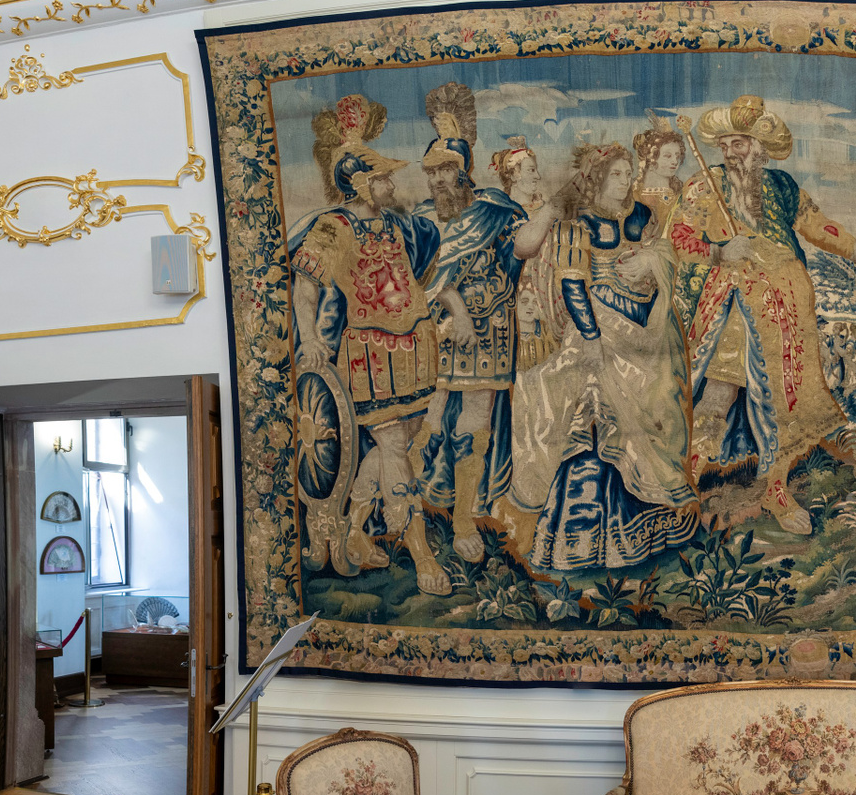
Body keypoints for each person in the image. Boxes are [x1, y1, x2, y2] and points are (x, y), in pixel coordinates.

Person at [670, 94, 856, 535]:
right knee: (717, 395)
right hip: (733, 305)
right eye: (725, 145)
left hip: (788, 312)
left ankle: (776, 489)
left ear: (760, 148)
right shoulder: (703, 186)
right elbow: (677, 237)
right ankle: (685, 485)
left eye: (739, 144)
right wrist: (719, 251)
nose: (730, 153)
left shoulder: (782, 187)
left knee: (786, 404)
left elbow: (818, 225)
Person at [290, 94, 458, 595]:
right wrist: (311, 339)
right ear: (361, 183)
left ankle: (354, 530)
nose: (391, 184)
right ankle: (420, 550)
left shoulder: (395, 222)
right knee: (394, 449)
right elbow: (305, 287)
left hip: (415, 348)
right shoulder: (333, 227)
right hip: (371, 355)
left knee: (397, 447)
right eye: (382, 177)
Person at [508, 143, 699, 572]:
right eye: (616, 174)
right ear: (596, 179)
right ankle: (584, 543)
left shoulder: (642, 216)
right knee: (598, 423)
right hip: (598, 331)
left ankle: (651, 533)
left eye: (628, 173)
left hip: (647, 333)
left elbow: (666, 254)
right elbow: (573, 284)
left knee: (659, 408)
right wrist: (591, 338)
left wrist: (651, 258)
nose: (625, 181)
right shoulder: (578, 225)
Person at [418, 120, 561, 562]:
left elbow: (523, 248)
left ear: (465, 170)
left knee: (475, 426)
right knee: (426, 419)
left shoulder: (494, 210)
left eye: (446, 169)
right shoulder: (426, 217)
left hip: (491, 333)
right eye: (432, 171)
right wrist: (457, 310)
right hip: (436, 329)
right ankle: (409, 511)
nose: (438, 179)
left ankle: (462, 519)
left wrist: (552, 210)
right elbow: (426, 275)